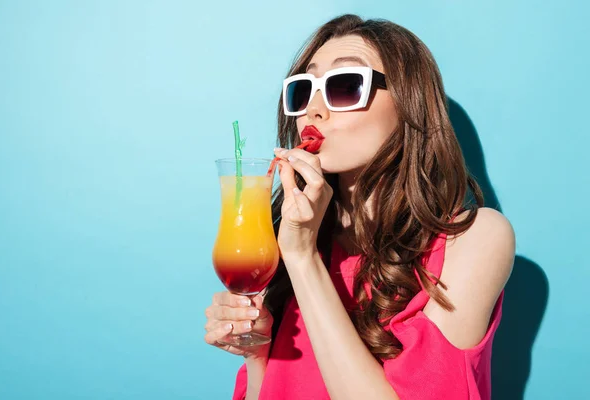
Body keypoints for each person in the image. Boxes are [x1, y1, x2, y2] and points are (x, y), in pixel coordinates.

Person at [204, 14, 515, 400]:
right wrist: (257, 353)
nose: (313, 110)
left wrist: (302, 259)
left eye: (345, 86)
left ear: (408, 106)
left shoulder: (474, 239)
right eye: (303, 91)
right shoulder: (284, 242)